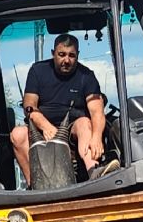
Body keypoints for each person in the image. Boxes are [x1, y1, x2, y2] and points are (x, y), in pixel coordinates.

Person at [10, 33, 107, 178]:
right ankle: (34, 184)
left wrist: (97, 137)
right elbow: (29, 106)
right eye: (61, 54)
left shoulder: (86, 76)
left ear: (77, 55)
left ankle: (94, 172)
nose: (66, 60)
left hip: (72, 129)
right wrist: (46, 127)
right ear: (53, 53)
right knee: (17, 134)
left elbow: (97, 112)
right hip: (42, 129)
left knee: (85, 123)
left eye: (71, 55)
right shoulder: (38, 71)